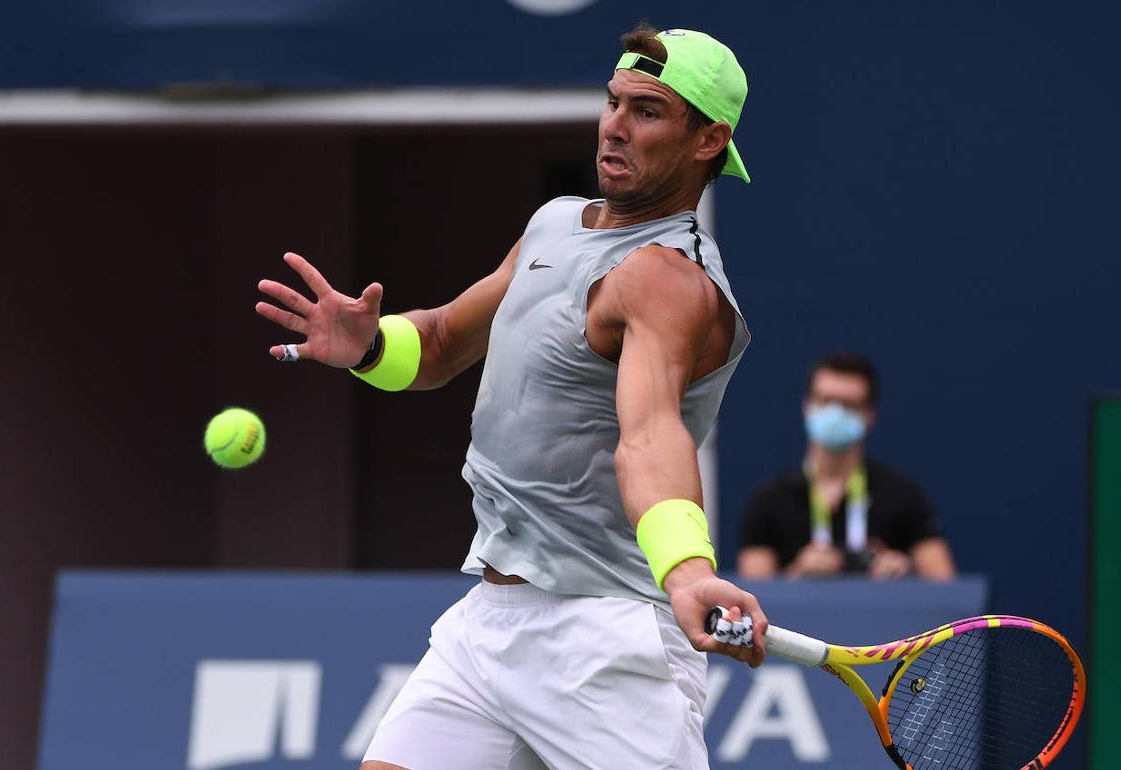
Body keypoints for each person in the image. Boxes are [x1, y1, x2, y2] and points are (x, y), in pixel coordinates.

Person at [256, 25, 764, 770]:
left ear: (708, 140)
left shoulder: (667, 279)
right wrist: (368, 345)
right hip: (492, 618)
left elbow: (650, 435)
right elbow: (438, 346)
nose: (614, 126)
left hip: (606, 638)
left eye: (647, 112)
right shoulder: (555, 222)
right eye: (612, 101)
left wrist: (687, 569)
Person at [737, 353, 957, 581]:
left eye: (849, 405)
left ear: (870, 415)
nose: (836, 413)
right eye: (825, 400)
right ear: (806, 405)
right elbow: (755, 594)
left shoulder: (904, 495)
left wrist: (904, 574)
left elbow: (946, 589)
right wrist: (798, 573)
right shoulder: (769, 500)